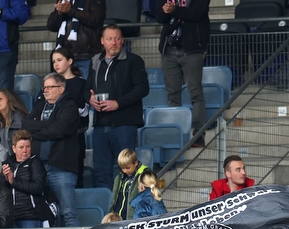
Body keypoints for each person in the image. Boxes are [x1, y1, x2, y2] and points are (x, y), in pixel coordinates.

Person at [23, 72, 81, 229]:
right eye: (44, 88)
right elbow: (26, 124)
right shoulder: (40, 105)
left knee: (67, 213)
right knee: (44, 213)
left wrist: (38, 130)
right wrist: (47, 127)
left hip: (60, 168)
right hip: (39, 168)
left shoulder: (70, 106)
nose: (45, 91)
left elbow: (60, 129)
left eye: (49, 87)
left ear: (61, 88)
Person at [88, 24, 149, 189]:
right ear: (102, 41)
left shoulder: (134, 61)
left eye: (117, 38)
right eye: (109, 39)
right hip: (100, 126)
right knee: (101, 173)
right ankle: (108, 213)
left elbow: (143, 88)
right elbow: (88, 88)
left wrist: (118, 103)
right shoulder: (95, 61)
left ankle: (126, 211)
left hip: (125, 125)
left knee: (128, 171)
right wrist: (90, 98)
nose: (113, 42)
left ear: (122, 41)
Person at [155, 0, 209, 143]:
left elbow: (197, 13)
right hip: (169, 50)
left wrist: (174, 10)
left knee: (196, 93)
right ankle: (175, 136)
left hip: (191, 50)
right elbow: (159, 18)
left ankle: (198, 135)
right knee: (172, 95)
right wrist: (165, 11)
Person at [0, 130, 48, 229]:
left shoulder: (36, 163)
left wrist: (14, 181)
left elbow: (38, 187)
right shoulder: (7, 163)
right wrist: (6, 180)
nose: (25, 150)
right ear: (13, 148)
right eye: (21, 147)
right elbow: (2, 188)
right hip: (12, 218)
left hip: (31, 217)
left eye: (28, 146)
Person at [46, 0, 104, 78]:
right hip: (65, 57)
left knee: (86, 88)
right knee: (65, 88)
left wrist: (71, 10)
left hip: (86, 56)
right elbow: (51, 26)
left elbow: (95, 19)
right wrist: (58, 13)